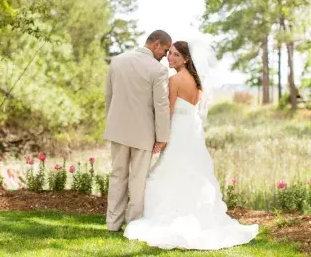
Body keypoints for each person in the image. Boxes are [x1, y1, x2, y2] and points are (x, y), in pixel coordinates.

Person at [123, 41, 259, 250]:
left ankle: (169, 219)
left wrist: (161, 140)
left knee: (168, 174)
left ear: (186, 59)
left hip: (178, 133)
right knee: (194, 173)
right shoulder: (198, 83)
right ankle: (197, 216)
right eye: (169, 54)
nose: (170, 58)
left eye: (176, 55)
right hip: (192, 135)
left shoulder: (174, 80)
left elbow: (167, 113)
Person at [104, 30, 172, 232]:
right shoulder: (158, 70)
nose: (166, 56)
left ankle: (112, 224)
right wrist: (162, 137)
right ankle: (133, 225)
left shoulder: (117, 61)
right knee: (138, 180)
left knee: (117, 176)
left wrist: (112, 123)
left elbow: (109, 97)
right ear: (156, 44)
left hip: (117, 130)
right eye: (166, 50)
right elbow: (161, 106)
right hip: (144, 133)